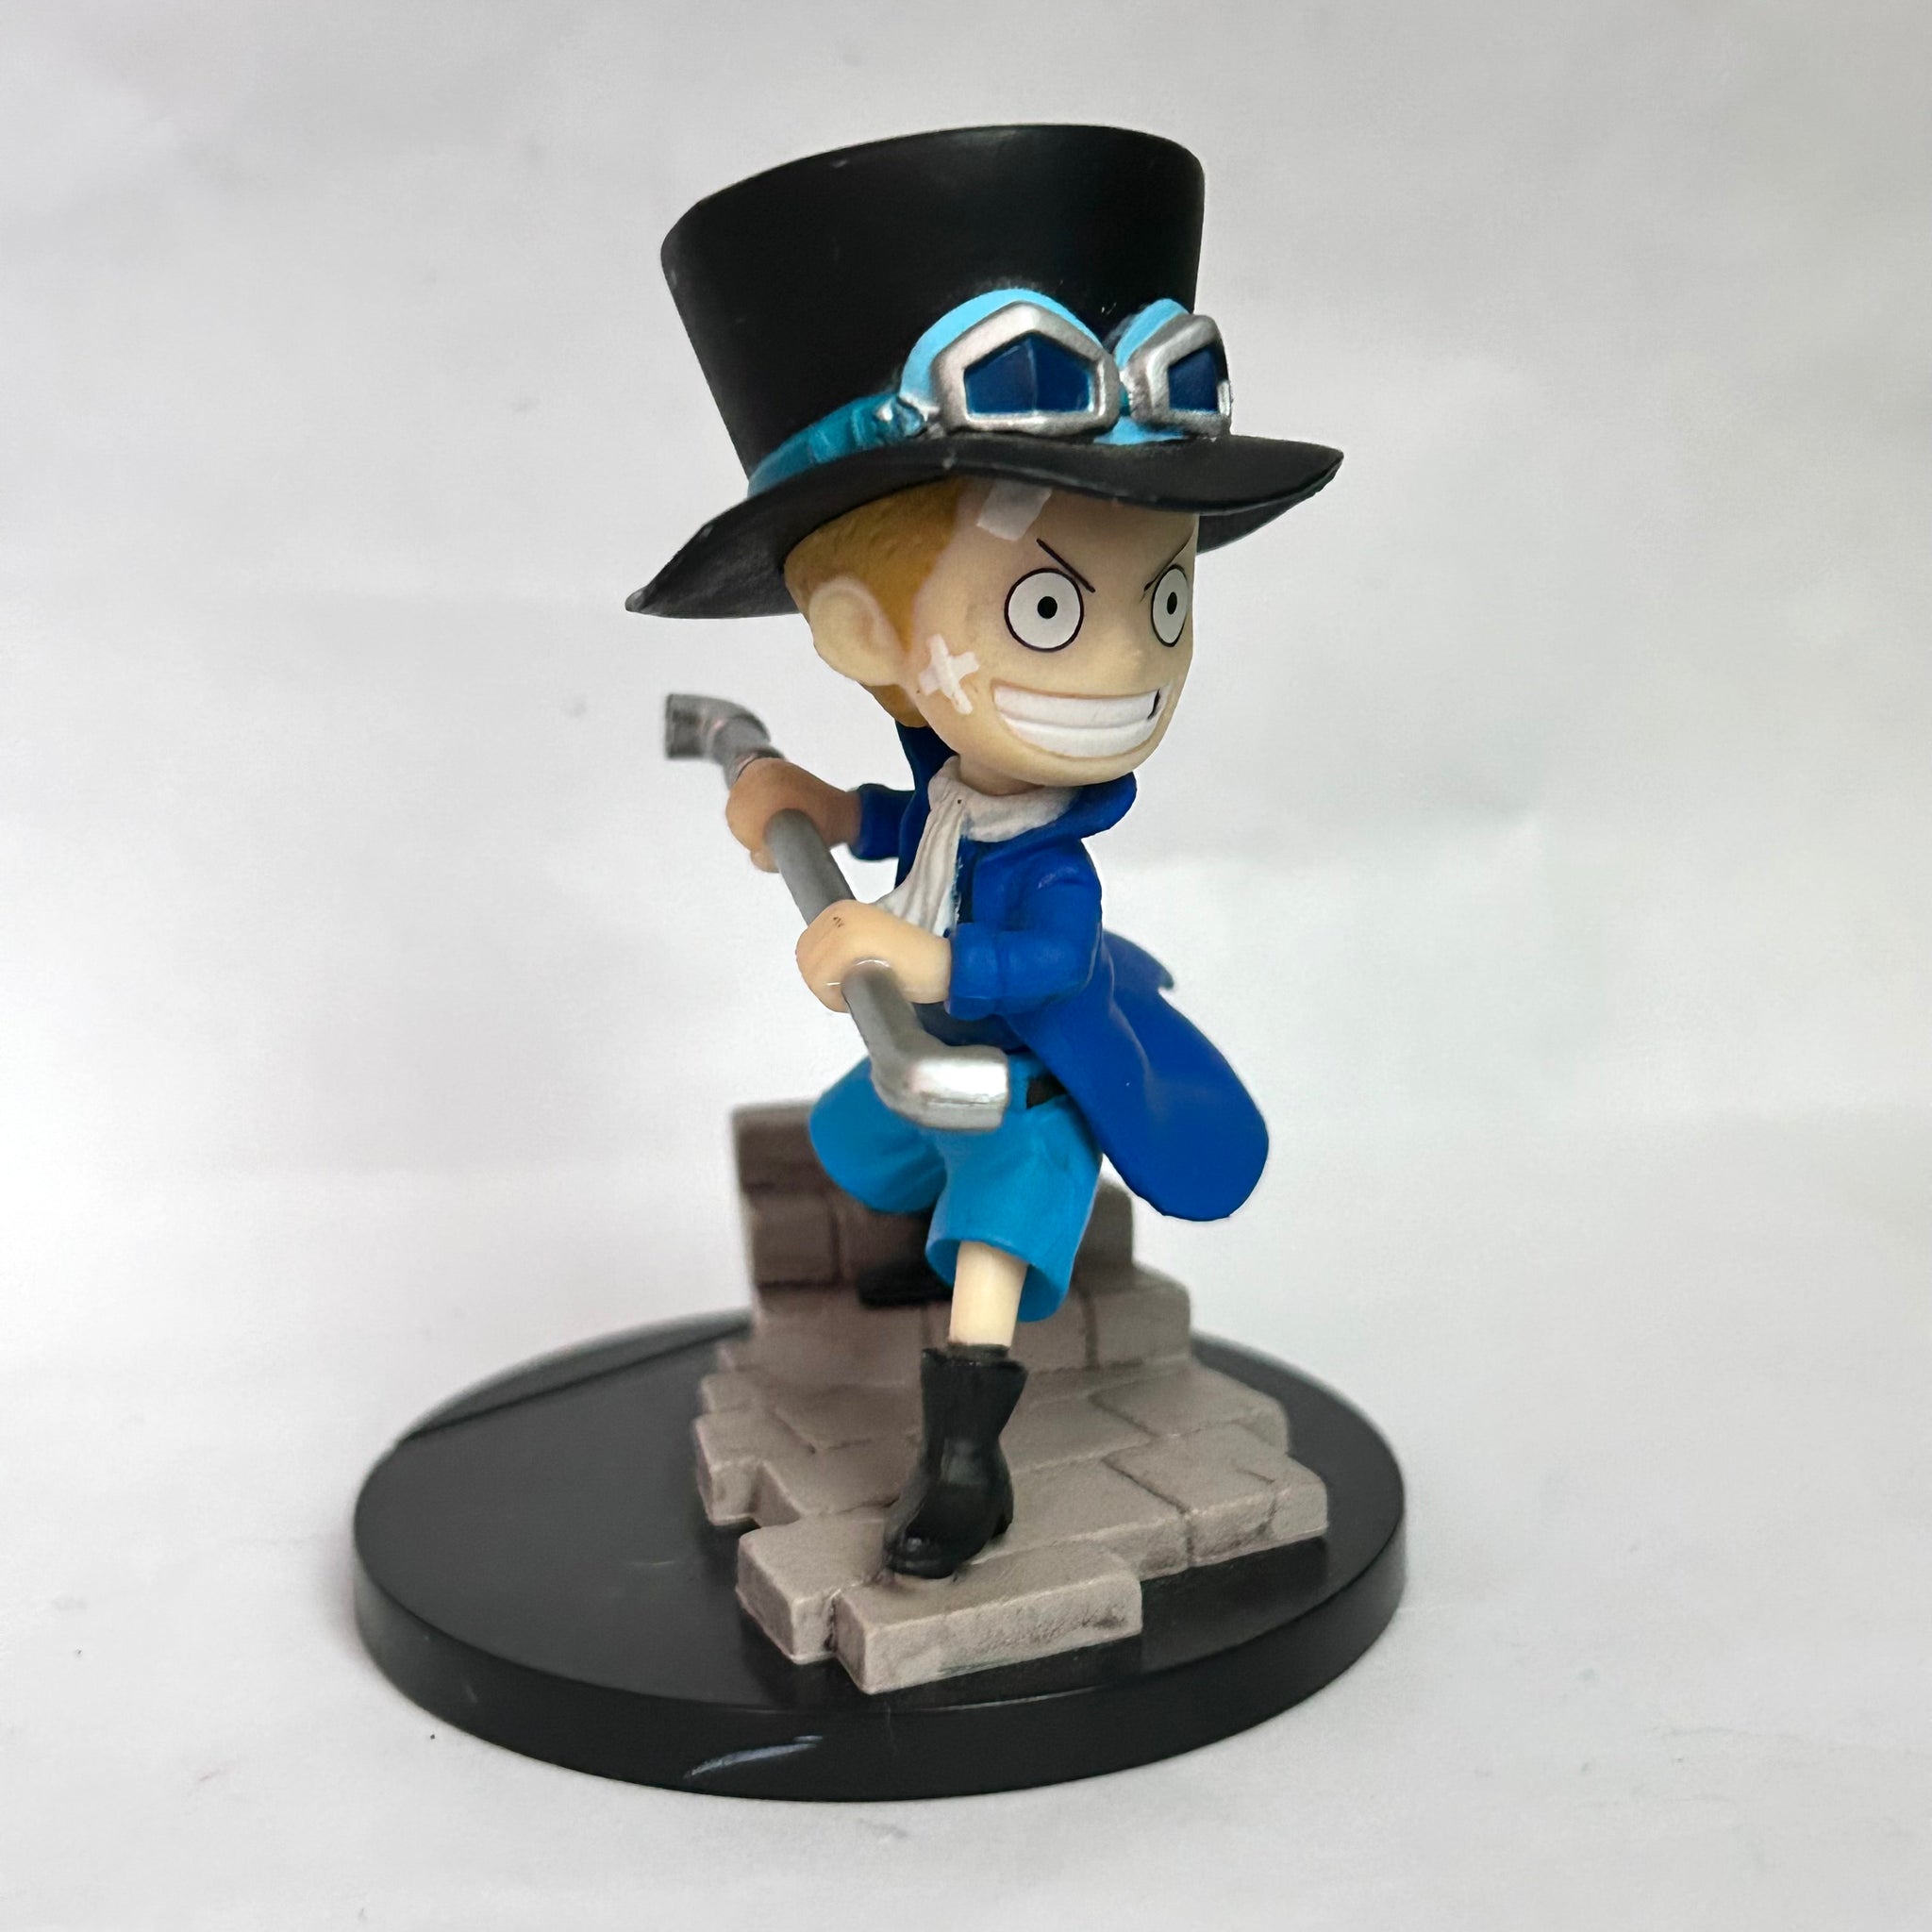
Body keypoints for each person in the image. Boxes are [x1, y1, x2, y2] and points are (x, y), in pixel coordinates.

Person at [633, 125, 1342, 1576]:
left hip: (1023, 1083)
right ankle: (926, 1257)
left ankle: (966, 1458)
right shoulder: (960, 783)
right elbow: (921, 822)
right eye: (1046, 613)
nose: (1127, 667)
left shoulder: (1057, 859)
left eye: (1162, 605)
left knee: (1002, 1231)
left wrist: (921, 957)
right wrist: (832, 811)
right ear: (863, 637)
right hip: (929, 1069)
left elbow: (1051, 960)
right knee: (855, 1147)